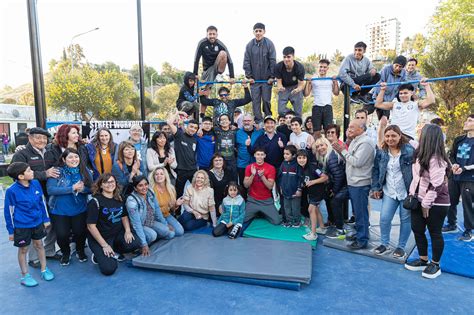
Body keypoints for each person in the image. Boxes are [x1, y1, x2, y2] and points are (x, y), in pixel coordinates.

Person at [404, 124, 450, 279]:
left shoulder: (436, 159)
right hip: (419, 199)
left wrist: (426, 204)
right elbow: (410, 141)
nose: (419, 135)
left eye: (422, 133)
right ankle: (423, 260)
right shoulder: (420, 152)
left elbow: (437, 185)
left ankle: (435, 264)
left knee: (435, 232)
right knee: (417, 229)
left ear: (428, 138)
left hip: (436, 203)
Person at [11, 127, 60, 268]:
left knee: (51, 223)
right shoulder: (22, 154)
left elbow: (57, 168)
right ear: (30, 138)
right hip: (31, 197)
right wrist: (44, 174)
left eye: (44, 138)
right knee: (34, 225)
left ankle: (49, 251)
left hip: (50, 194)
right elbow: (17, 174)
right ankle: (33, 258)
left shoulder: (50, 152)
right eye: (38, 137)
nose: (42, 140)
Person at [4, 162, 54, 287]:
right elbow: (9, 212)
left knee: (39, 244)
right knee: (23, 249)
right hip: (22, 226)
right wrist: (11, 231)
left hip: (37, 223)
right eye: (29, 170)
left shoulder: (36, 184)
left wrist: (45, 218)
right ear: (21, 176)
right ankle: (25, 275)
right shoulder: (11, 191)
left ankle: (44, 269)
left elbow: (42, 202)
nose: (32, 172)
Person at [371, 125, 415, 257]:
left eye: (393, 136)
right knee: (384, 218)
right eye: (388, 136)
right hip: (389, 191)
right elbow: (376, 170)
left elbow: (417, 171)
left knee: (405, 220)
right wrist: (376, 188)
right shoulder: (381, 151)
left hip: (406, 192)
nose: (390, 139)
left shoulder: (409, 151)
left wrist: (416, 192)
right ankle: (384, 243)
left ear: (400, 136)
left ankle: (401, 247)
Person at [86, 173, 141, 275]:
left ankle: (115, 250)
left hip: (116, 235)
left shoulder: (119, 198)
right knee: (109, 269)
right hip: (101, 238)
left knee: (135, 243)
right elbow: (91, 226)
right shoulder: (95, 202)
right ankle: (98, 255)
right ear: (100, 185)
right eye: (105, 182)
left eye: (112, 181)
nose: (109, 184)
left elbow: (124, 216)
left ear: (116, 183)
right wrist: (104, 245)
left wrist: (128, 231)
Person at [332, 120, 375, 249]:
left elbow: (357, 162)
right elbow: (349, 159)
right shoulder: (356, 140)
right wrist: (342, 151)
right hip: (353, 182)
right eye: (349, 126)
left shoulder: (366, 142)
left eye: (352, 127)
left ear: (361, 129)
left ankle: (362, 240)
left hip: (360, 183)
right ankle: (359, 235)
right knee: (357, 212)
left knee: (361, 213)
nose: (349, 129)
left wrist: (342, 150)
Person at [47, 148, 93, 265]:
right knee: (62, 235)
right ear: (64, 159)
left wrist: (83, 189)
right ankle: (65, 253)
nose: (74, 159)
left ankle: (80, 250)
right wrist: (72, 188)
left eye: (76, 157)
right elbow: (51, 189)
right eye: (70, 157)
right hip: (59, 210)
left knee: (80, 233)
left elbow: (92, 189)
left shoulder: (84, 171)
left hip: (79, 209)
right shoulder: (57, 171)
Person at [126, 175, 176, 256]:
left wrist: (165, 224)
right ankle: (139, 246)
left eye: (146, 184)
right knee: (153, 235)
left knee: (170, 233)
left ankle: (151, 238)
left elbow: (157, 209)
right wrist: (144, 244)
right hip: (139, 226)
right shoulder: (132, 201)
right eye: (140, 185)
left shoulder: (150, 192)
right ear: (135, 188)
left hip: (150, 222)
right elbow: (136, 224)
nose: (144, 187)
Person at [193, 25, 235, 114]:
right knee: (205, 92)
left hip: (218, 68)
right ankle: (202, 115)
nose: (212, 36)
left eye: (213, 34)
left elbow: (230, 60)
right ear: (207, 34)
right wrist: (195, 73)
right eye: (210, 34)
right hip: (207, 70)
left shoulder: (220, 44)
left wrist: (232, 76)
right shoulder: (202, 43)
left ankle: (218, 75)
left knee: (223, 53)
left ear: (217, 35)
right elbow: (196, 58)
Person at [313, 137, 348, 239]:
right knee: (328, 198)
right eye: (318, 146)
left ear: (327, 145)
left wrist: (334, 190)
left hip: (345, 185)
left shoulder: (331, 157)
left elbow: (339, 176)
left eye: (322, 145)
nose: (320, 148)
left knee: (335, 201)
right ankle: (333, 222)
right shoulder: (324, 158)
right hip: (339, 184)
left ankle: (340, 229)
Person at [243, 22, 276, 124]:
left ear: (264, 32)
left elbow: (272, 60)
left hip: (266, 80)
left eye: (260, 31)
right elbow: (246, 61)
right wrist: (249, 76)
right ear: (253, 32)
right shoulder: (249, 45)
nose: (258, 33)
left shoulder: (269, 44)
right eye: (256, 31)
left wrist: (272, 76)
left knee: (266, 100)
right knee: (255, 102)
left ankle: (268, 119)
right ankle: (258, 122)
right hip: (255, 80)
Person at [448, 115, 474, 242]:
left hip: (469, 178)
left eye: (470, 120)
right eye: (467, 119)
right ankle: (451, 224)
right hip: (454, 176)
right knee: (451, 200)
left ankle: (469, 230)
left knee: (467, 204)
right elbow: (451, 155)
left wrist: (464, 168)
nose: (466, 122)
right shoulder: (459, 139)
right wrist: (454, 164)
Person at [297, 149, 329, 241]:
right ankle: (322, 228)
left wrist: (313, 182)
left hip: (318, 192)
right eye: (299, 158)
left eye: (304, 158)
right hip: (311, 192)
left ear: (307, 158)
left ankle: (313, 233)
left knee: (311, 209)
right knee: (316, 209)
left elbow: (325, 177)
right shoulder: (301, 168)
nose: (301, 160)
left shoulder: (313, 167)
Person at [244, 148, 281, 225]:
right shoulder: (249, 167)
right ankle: (257, 212)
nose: (260, 157)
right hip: (252, 200)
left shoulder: (271, 168)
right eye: (258, 154)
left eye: (261, 155)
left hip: (266, 201)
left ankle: (261, 213)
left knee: (276, 221)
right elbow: (246, 185)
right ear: (254, 155)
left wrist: (262, 176)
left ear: (265, 156)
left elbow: (270, 186)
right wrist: (253, 174)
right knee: (243, 219)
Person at [304, 59, 340, 138]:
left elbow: (336, 93)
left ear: (327, 69)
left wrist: (335, 82)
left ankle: (328, 149)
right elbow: (306, 94)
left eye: (324, 67)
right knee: (316, 132)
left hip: (327, 107)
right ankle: (317, 149)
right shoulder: (313, 79)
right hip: (316, 107)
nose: (322, 69)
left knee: (328, 131)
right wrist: (308, 82)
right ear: (318, 67)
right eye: (320, 67)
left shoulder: (330, 80)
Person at [167, 112, 198, 199]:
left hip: (193, 169)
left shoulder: (195, 139)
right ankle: (176, 212)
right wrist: (178, 113)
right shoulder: (179, 135)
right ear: (187, 126)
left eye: (195, 128)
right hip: (181, 170)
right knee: (179, 194)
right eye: (191, 126)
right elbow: (169, 123)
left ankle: (195, 211)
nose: (193, 129)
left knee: (197, 192)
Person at [148, 167, 185, 236]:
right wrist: (166, 224)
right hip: (155, 218)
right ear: (154, 177)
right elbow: (153, 211)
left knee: (180, 232)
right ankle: (156, 231)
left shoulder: (171, 189)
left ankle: (161, 231)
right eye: (156, 174)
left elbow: (172, 209)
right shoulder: (151, 191)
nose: (159, 176)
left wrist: (176, 204)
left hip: (166, 215)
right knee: (170, 234)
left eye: (161, 174)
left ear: (165, 176)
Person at [274, 46, 305, 117]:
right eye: (284, 57)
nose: (286, 59)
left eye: (288, 57)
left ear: (293, 57)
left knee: (298, 113)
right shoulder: (278, 66)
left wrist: (297, 89)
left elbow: (301, 85)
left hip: (295, 87)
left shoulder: (299, 67)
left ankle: (296, 119)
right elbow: (279, 83)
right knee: (281, 111)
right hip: (284, 88)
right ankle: (291, 114)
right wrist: (280, 88)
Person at [278, 145, 302, 227]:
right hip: (285, 191)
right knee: (287, 208)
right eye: (284, 154)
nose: (285, 155)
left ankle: (297, 222)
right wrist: (281, 187)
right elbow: (280, 176)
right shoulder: (283, 164)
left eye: (287, 154)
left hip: (295, 192)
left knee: (295, 208)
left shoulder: (297, 165)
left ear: (294, 155)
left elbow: (300, 178)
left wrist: (299, 189)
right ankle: (288, 221)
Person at [236, 114, 263, 186]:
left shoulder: (260, 132)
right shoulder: (238, 133)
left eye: (249, 120)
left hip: (256, 163)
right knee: (243, 185)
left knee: (256, 185)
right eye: (245, 121)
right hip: (242, 164)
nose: (246, 122)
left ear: (253, 121)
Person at [214, 114, 237, 180]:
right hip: (220, 161)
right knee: (221, 181)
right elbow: (205, 127)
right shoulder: (215, 130)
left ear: (229, 121)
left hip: (232, 160)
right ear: (219, 122)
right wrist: (200, 129)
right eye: (221, 120)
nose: (224, 121)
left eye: (225, 119)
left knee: (233, 180)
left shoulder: (235, 131)